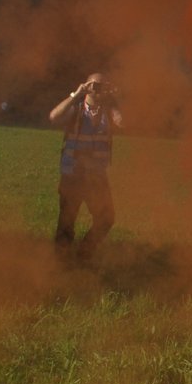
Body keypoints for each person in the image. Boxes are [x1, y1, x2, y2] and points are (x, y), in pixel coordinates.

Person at [47, 73, 124, 263]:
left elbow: (124, 123)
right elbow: (53, 116)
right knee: (66, 221)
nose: (99, 90)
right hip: (73, 175)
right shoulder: (77, 109)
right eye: (95, 85)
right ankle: (61, 263)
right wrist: (77, 93)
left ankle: (84, 253)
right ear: (87, 86)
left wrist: (113, 99)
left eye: (103, 86)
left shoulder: (108, 113)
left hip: (96, 176)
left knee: (106, 218)